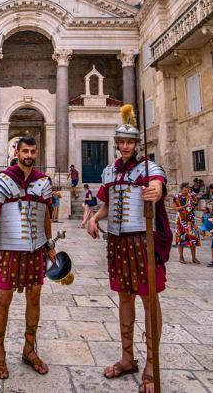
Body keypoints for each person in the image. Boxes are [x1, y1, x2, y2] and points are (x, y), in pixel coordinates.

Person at [87, 105, 171, 393]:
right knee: (124, 299)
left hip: (142, 241)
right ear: (116, 144)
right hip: (118, 242)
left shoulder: (149, 168)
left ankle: (152, 363)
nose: (125, 146)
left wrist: (157, 190)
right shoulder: (109, 171)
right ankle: (127, 357)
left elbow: (159, 184)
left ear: (136, 144)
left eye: (130, 142)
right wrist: (95, 219)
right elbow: (107, 203)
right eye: (121, 142)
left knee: (149, 300)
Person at [0, 136, 56, 380]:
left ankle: (29, 349)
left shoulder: (43, 182)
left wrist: (49, 245)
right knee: (5, 299)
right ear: (17, 152)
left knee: (34, 299)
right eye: (25, 151)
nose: (29, 155)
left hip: (35, 250)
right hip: (9, 250)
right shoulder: (2, 181)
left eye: (32, 151)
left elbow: (45, 217)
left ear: (36, 152)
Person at [172, 182, 201, 264]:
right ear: (181, 189)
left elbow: (195, 206)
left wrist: (195, 203)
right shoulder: (177, 197)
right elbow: (174, 208)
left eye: (188, 189)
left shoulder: (192, 196)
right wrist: (183, 207)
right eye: (185, 189)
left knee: (193, 238)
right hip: (180, 219)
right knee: (181, 239)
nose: (187, 190)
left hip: (191, 219)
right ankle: (181, 257)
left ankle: (194, 258)